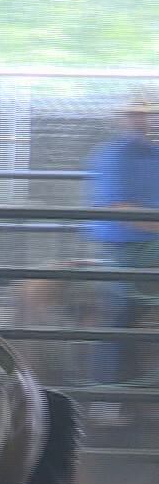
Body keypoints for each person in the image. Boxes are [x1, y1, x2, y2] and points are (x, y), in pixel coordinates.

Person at [83, 90, 159, 401]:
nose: (142, 120)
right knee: (121, 311)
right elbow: (121, 210)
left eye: (146, 114)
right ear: (123, 118)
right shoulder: (113, 156)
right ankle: (107, 391)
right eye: (135, 114)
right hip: (126, 246)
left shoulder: (153, 154)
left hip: (151, 243)